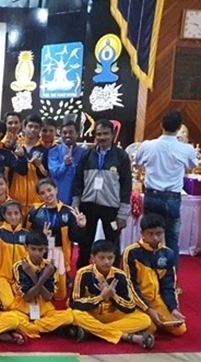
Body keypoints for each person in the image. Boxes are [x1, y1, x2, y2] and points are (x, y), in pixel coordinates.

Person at [135, 111, 197, 270]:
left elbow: (138, 162)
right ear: (179, 127)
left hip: (152, 195)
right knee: (171, 239)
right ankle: (171, 277)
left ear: (161, 125)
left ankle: (146, 273)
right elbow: (191, 166)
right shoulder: (186, 149)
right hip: (172, 198)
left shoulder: (147, 145)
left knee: (148, 235)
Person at [71, 240, 155, 349]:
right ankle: (126, 336)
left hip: (112, 315)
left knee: (145, 320)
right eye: (102, 258)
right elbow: (75, 303)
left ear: (115, 258)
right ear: (93, 258)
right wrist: (101, 297)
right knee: (75, 314)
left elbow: (130, 306)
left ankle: (92, 332)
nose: (106, 262)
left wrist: (113, 296)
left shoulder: (120, 275)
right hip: (91, 314)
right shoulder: (82, 273)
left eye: (110, 258)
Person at [73, 119, 132, 269]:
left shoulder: (121, 156)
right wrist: (76, 204)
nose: (102, 137)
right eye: (99, 134)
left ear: (112, 135)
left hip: (111, 207)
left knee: (112, 244)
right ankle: (81, 274)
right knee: (85, 244)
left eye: (106, 134)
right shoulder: (87, 155)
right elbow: (78, 181)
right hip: (88, 206)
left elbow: (126, 186)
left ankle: (114, 275)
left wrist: (123, 214)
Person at [122, 214, 186, 336]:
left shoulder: (168, 253)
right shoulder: (131, 252)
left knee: (179, 328)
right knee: (150, 328)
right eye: (150, 234)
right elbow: (129, 286)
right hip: (137, 301)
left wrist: (173, 309)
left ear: (164, 232)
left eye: (159, 233)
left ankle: (154, 320)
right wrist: (148, 309)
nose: (155, 238)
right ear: (142, 233)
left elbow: (169, 286)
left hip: (156, 299)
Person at [26, 178, 87, 300]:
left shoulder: (68, 211)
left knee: (60, 294)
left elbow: (75, 237)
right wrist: (42, 237)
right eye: (42, 193)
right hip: (40, 251)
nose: (47, 195)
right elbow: (28, 235)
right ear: (39, 195)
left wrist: (81, 226)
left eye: (49, 190)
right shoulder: (35, 212)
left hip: (59, 251)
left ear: (56, 190)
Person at [10, 230, 74, 338]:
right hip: (22, 310)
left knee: (69, 316)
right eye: (33, 249)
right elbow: (27, 297)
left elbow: (48, 297)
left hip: (44, 311)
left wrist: (40, 277)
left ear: (45, 249)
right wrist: (40, 277)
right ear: (26, 247)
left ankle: (32, 328)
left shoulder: (50, 267)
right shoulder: (19, 266)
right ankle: (48, 328)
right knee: (13, 319)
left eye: (40, 250)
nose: (37, 253)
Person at [0, 200, 28, 309]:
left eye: (16, 213)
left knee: (27, 301)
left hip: (19, 278)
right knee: (8, 303)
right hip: (0, 276)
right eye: (9, 214)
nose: (13, 217)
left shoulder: (27, 235)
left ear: (21, 214)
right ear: (4, 215)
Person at [8, 114, 48, 214]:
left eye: (36, 127)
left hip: (37, 202)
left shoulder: (44, 150)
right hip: (15, 200)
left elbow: (46, 176)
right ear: (24, 128)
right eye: (30, 126)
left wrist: (39, 165)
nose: (33, 130)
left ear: (40, 130)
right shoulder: (14, 147)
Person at [48, 120, 85, 205]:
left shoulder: (84, 153)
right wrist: (64, 164)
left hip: (78, 200)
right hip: (57, 199)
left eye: (71, 132)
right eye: (64, 133)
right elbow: (54, 173)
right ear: (60, 134)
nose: (67, 135)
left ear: (77, 134)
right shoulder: (53, 152)